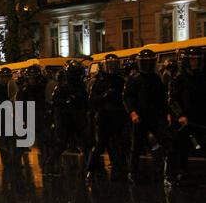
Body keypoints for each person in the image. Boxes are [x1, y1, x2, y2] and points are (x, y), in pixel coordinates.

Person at [123, 49, 175, 186]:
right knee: (136, 146)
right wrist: (132, 113)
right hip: (140, 117)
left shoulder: (156, 78)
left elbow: (162, 98)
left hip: (156, 116)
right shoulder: (134, 79)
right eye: (144, 63)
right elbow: (127, 98)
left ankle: (166, 173)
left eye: (149, 62)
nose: (147, 65)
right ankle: (132, 173)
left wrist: (167, 113)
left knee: (167, 143)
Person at [85, 54, 127, 183]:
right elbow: (92, 100)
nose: (112, 68)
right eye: (110, 65)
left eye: (114, 65)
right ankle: (90, 169)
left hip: (118, 115)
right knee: (100, 144)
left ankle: (122, 169)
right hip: (104, 116)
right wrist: (104, 96)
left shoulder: (121, 81)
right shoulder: (99, 82)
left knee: (120, 143)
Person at [169, 46, 206, 183]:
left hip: (200, 117)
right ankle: (180, 172)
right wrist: (180, 115)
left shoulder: (202, 76)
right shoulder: (179, 78)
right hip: (184, 119)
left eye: (197, 60)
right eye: (192, 60)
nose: (195, 63)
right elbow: (172, 100)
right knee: (182, 147)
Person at [49, 60, 88, 175]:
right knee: (61, 145)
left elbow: (84, 101)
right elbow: (55, 102)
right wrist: (67, 101)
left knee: (86, 143)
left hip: (78, 118)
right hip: (66, 119)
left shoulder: (80, 86)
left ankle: (90, 167)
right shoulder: (62, 87)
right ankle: (50, 165)